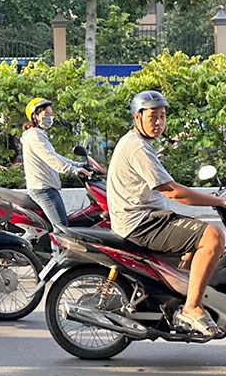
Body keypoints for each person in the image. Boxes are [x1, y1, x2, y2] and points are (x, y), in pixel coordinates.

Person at [108, 90, 226, 336]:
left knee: (196, 237)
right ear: (137, 117)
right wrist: (218, 201)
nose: (159, 122)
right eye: (153, 117)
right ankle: (191, 308)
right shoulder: (137, 147)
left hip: (147, 218)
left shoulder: (140, 144)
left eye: (162, 117)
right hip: (141, 223)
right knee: (213, 236)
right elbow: (173, 192)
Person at [21, 97, 91, 227]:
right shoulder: (34, 135)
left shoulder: (38, 134)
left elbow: (55, 155)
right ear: (35, 116)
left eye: (51, 114)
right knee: (61, 228)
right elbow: (50, 158)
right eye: (46, 114)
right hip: (43, 189)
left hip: (47, 188)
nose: (50, 117)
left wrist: (78, 165)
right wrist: (73, 170)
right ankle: (58, 248)